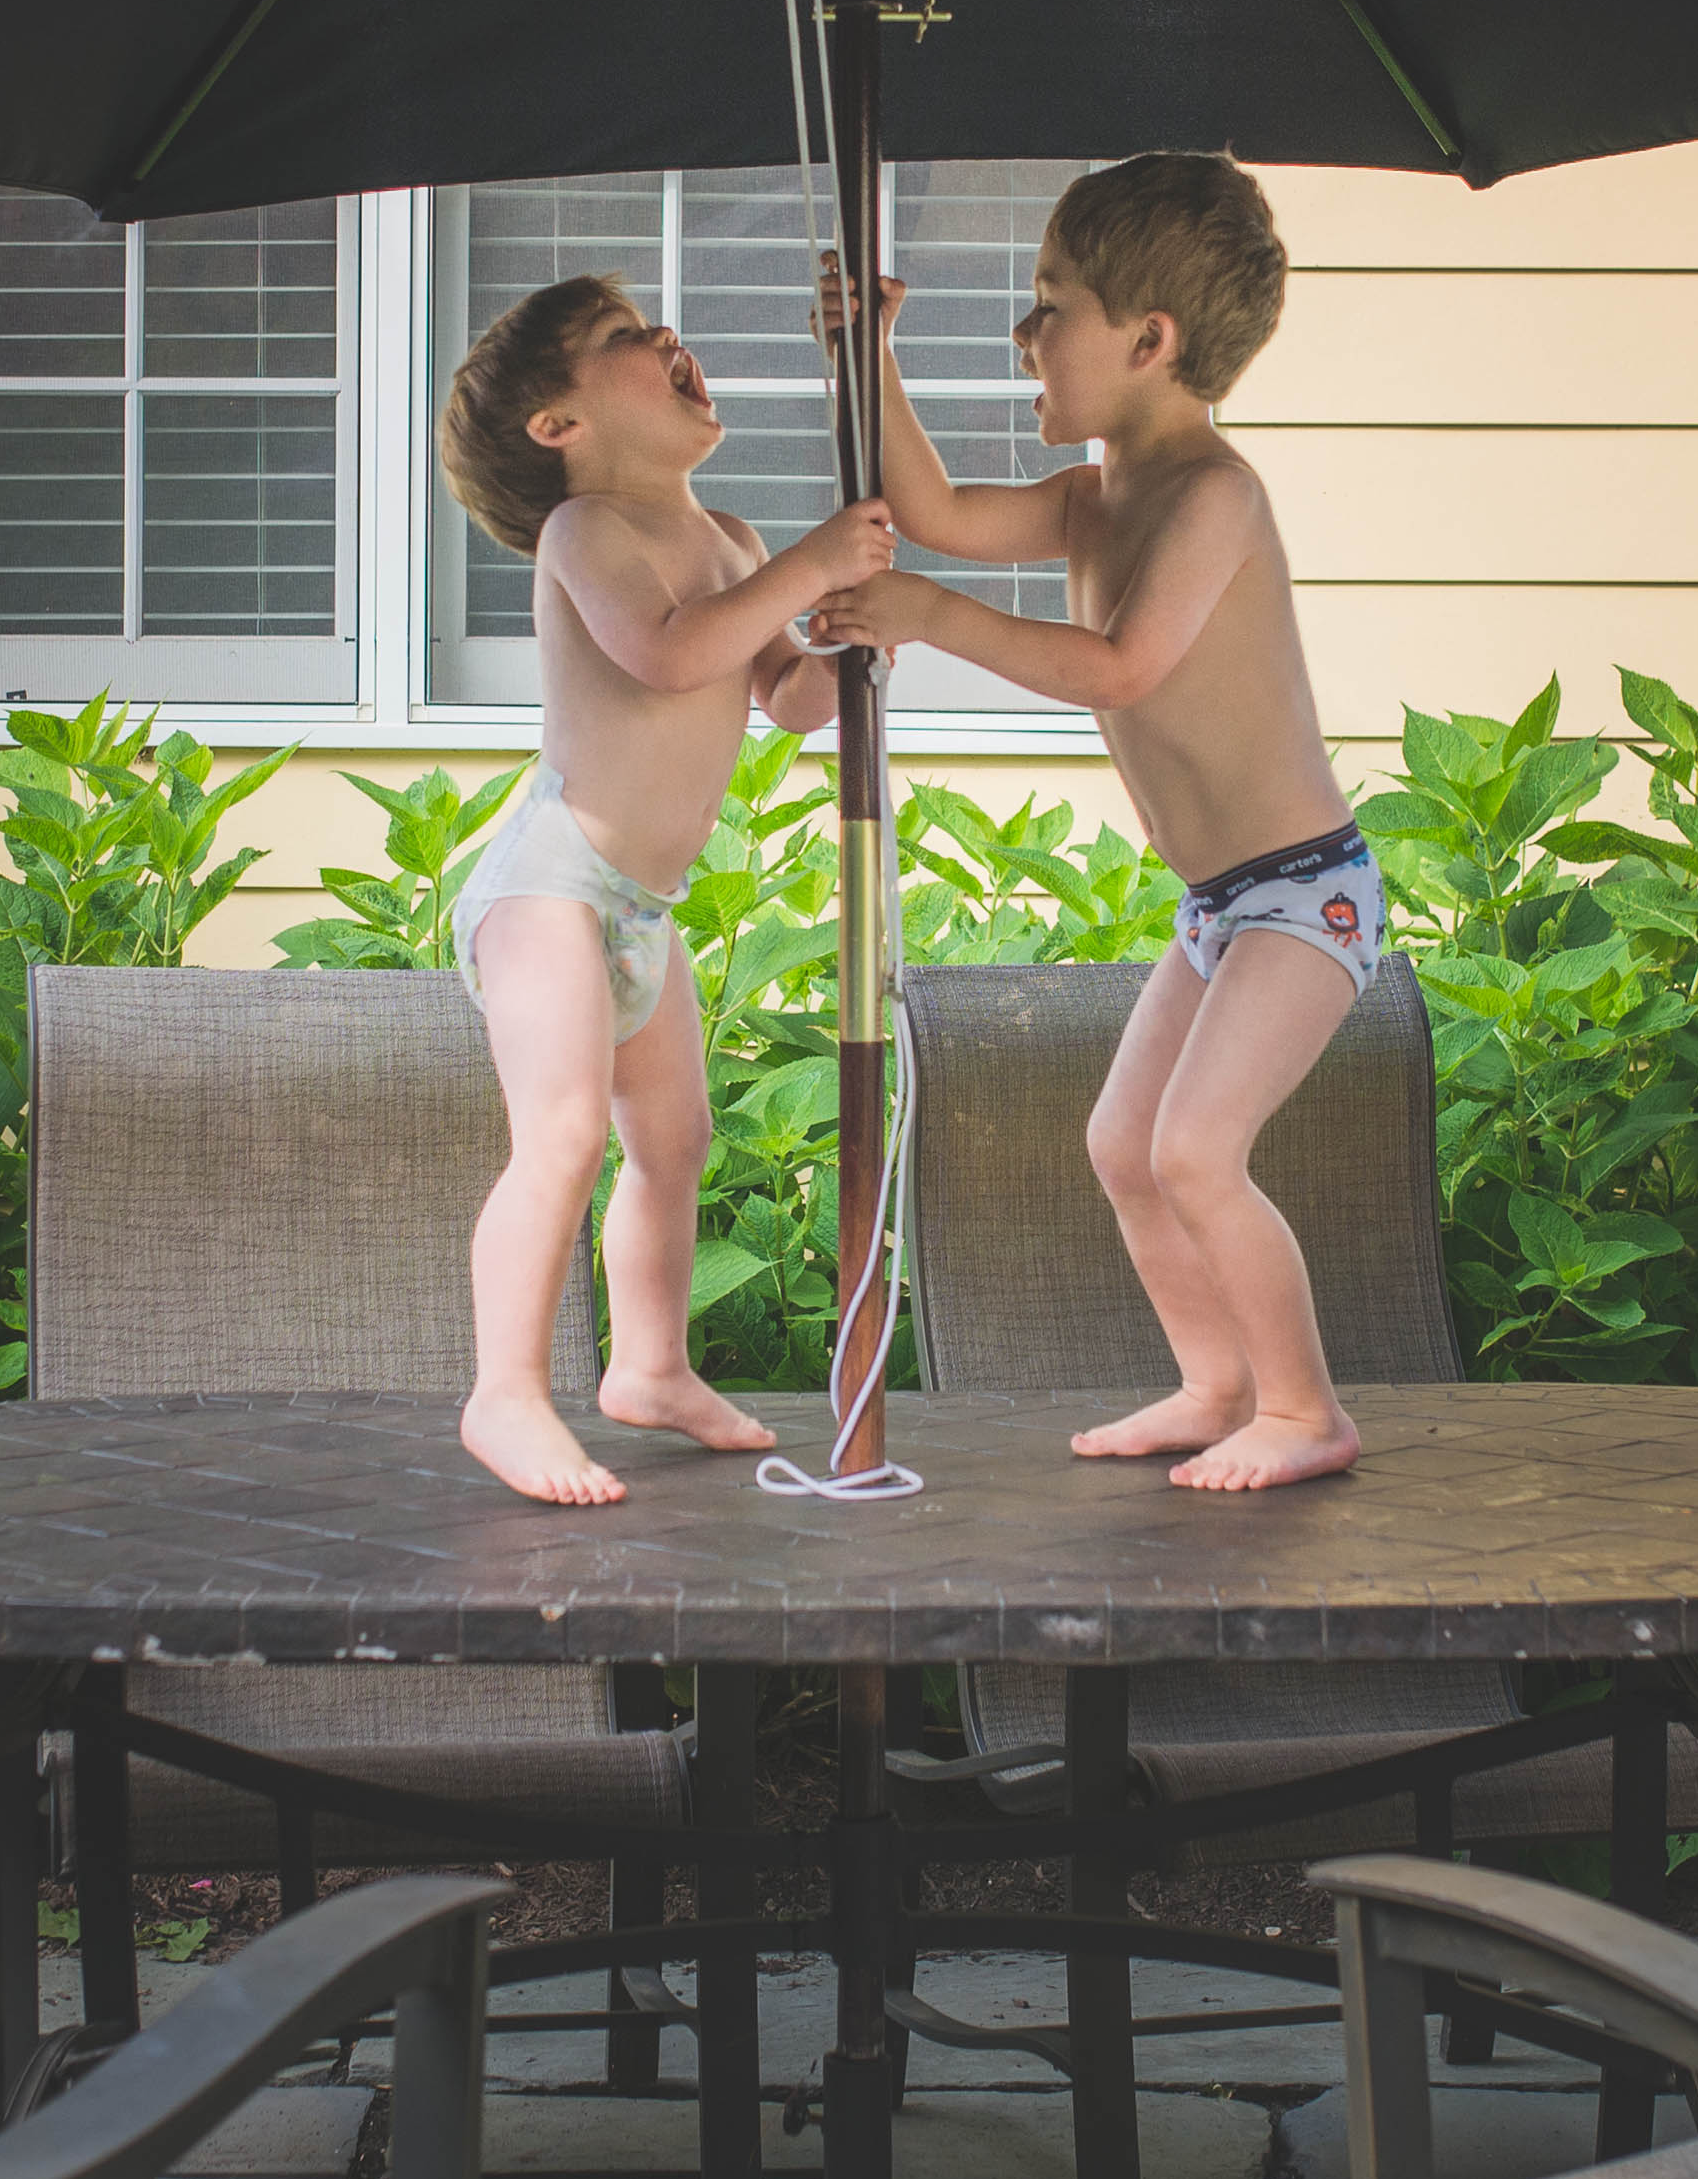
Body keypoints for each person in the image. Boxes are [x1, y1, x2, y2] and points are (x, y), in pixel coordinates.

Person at [810, 155, 1374, 1492]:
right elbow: (935, 512)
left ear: (1148, 339)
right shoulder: (1090, 496)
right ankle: (1213, 1384)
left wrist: (931, 616)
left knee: (1194, 1149)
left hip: (1307, 892)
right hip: (1220, 904)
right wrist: (864, 354)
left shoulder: (1213, 496)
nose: (1025, 334)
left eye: (1050, 303)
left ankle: (1304, 1408)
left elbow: (1122, 666)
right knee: (1125, 1147)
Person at [435, 272, 893, 1506]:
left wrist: (853, 641)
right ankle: (504, 1390)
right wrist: (813, 562)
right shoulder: (588, 532)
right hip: (551, 885)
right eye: (624, 337)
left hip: (639, 908)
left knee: (675, 1142)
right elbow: (671, 651)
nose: (667, 337)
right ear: (560, 425)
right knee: (564, 1132)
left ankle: (647, 1366)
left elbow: (781, 693)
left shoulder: (730, 540)